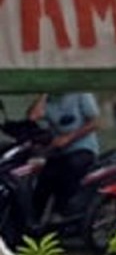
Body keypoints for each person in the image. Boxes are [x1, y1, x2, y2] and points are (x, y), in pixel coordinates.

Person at [27, 93, 101, 224]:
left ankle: (62, 212)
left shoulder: (81, 94)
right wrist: (43, 94)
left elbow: (96, 122)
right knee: (44, 180)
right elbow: (33, 117)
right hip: (58, 152)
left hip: (83, 148)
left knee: (71, 167)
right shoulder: (48, 100)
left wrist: (69, 138)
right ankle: (34, 222)